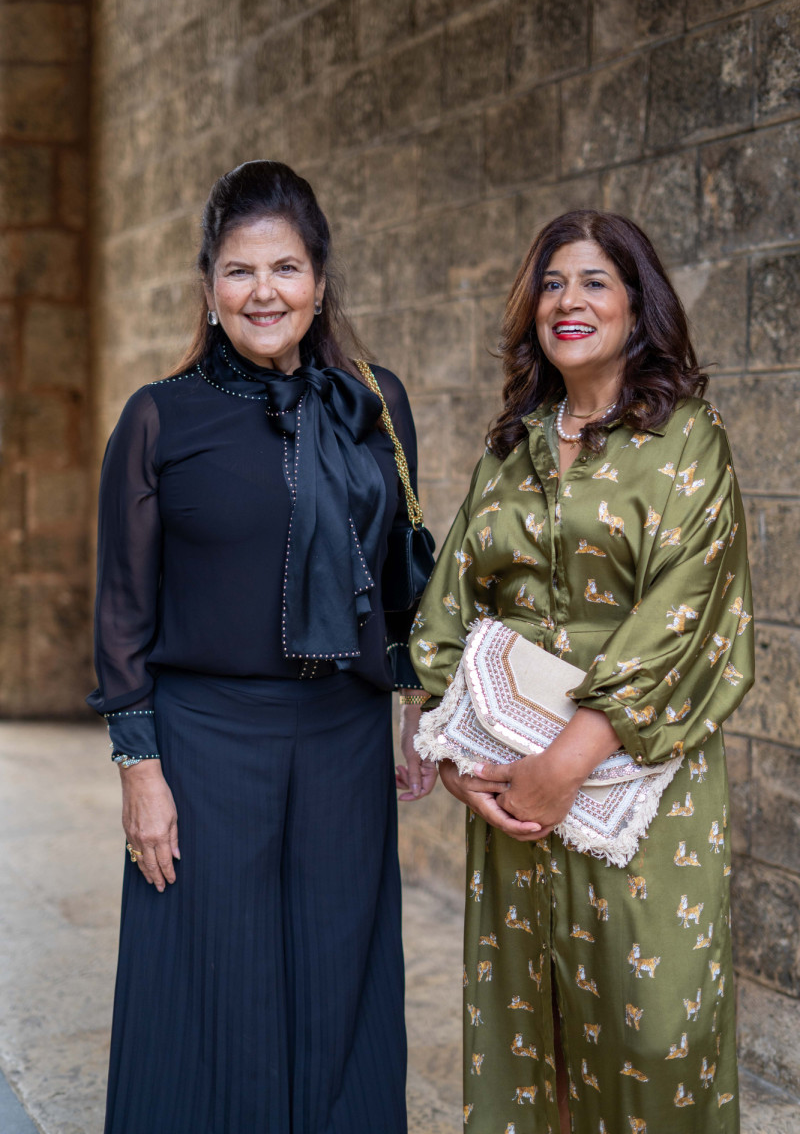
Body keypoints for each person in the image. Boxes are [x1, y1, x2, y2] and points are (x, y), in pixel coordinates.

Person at [88, 159, 436, 1134]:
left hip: (342, 735)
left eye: (284, 268)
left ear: (319, 280)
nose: (263, 292)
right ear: (208, 286)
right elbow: (122, 609)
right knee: (209, 989)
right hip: (205, 747)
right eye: (239, 271)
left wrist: (416, 708)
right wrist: (138, 768)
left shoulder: (377, 404)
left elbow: (403, 574)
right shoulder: (159, 416)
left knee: (337, 983)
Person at [410, 210, 754, 1133]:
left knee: (656, 1039)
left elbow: (689, 612)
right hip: (511, 792)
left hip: (645, 786)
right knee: (533, 1036)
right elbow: (452, 604)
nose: (570, 300)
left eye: (596, 281)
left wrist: (565, 765)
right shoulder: (509, 450)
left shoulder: (687, 440)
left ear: (639, 307)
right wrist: (457, 763)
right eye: (554, 283)